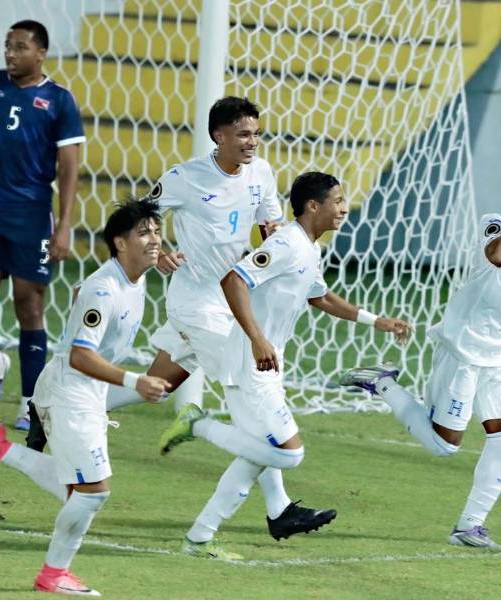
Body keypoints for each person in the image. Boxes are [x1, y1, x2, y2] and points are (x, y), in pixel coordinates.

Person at [104, 96, 335, 548]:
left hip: (234, 299)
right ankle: (277, 507)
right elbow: (140, 216)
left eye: (256, 133)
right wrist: (158, 250)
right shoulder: (185, 177)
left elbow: (271, 224)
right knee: (251, 394)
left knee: (158, 383)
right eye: (243, 134)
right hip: (195, 304)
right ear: (220, 136)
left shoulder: (262, 172)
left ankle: (56, 405)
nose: (252, 142)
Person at [339, 167, 501, 549]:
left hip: (497, 353)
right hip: (461, 348)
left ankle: (470, 526)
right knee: (445, 445)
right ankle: (383, 384)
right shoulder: (496, 224)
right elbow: (497, 257)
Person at [159, 171, 412, 558]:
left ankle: (200, 537)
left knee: (255, 457)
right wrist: (258, 339)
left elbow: (321, 298)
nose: (344, 207)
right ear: (313, 206)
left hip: (267, 365)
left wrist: (376, 321)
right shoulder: (287, 244)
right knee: (288, 453)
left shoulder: (309, 247)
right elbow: (233, 280)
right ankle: (199, 424)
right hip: (251, 363)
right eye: (338, 200)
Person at [0, 198, 171, 596]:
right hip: (71, 391)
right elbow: (81, 355)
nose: (154, 240)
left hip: (82, 390)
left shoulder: (130, 276)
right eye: (143, 233)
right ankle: (53, 574)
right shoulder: (105, 288)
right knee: (93, 492)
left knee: (79, 490)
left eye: (156, 231)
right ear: (119, 243)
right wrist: (134, 382)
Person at [0, 20, 84, 444]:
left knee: (28, 304)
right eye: (7, 45)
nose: (10, 53)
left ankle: (32, 402)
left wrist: (65, 224)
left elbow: (69, 167)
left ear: (41, 54)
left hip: (31, 215)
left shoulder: (58, 101)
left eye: (20, 47)